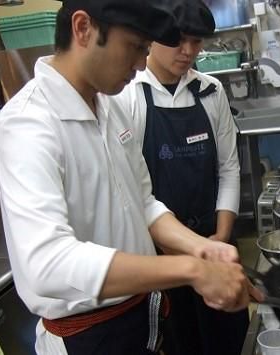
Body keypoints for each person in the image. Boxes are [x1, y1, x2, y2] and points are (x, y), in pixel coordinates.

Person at [0, 0, 261, 354]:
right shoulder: (28, 125)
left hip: (142, 318)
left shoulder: (110, 106)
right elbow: (47, 263)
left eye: (145, 50)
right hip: (87, 338)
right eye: (134, 48)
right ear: (83, 28)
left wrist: (203, 247)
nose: (139, 64)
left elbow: (143, 203)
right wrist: (190, 269)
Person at [116, 1, 247, 354]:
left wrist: (220, 237)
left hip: (214, 244)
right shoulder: (128, 96)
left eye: (197, 42)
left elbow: (228, 168)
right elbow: (134, 193)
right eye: (179, 41)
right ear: (153, 39)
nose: (188, 52)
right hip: (160, 258)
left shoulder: (210, 91)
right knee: (180, 342)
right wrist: (175, 251)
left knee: (229, 338)